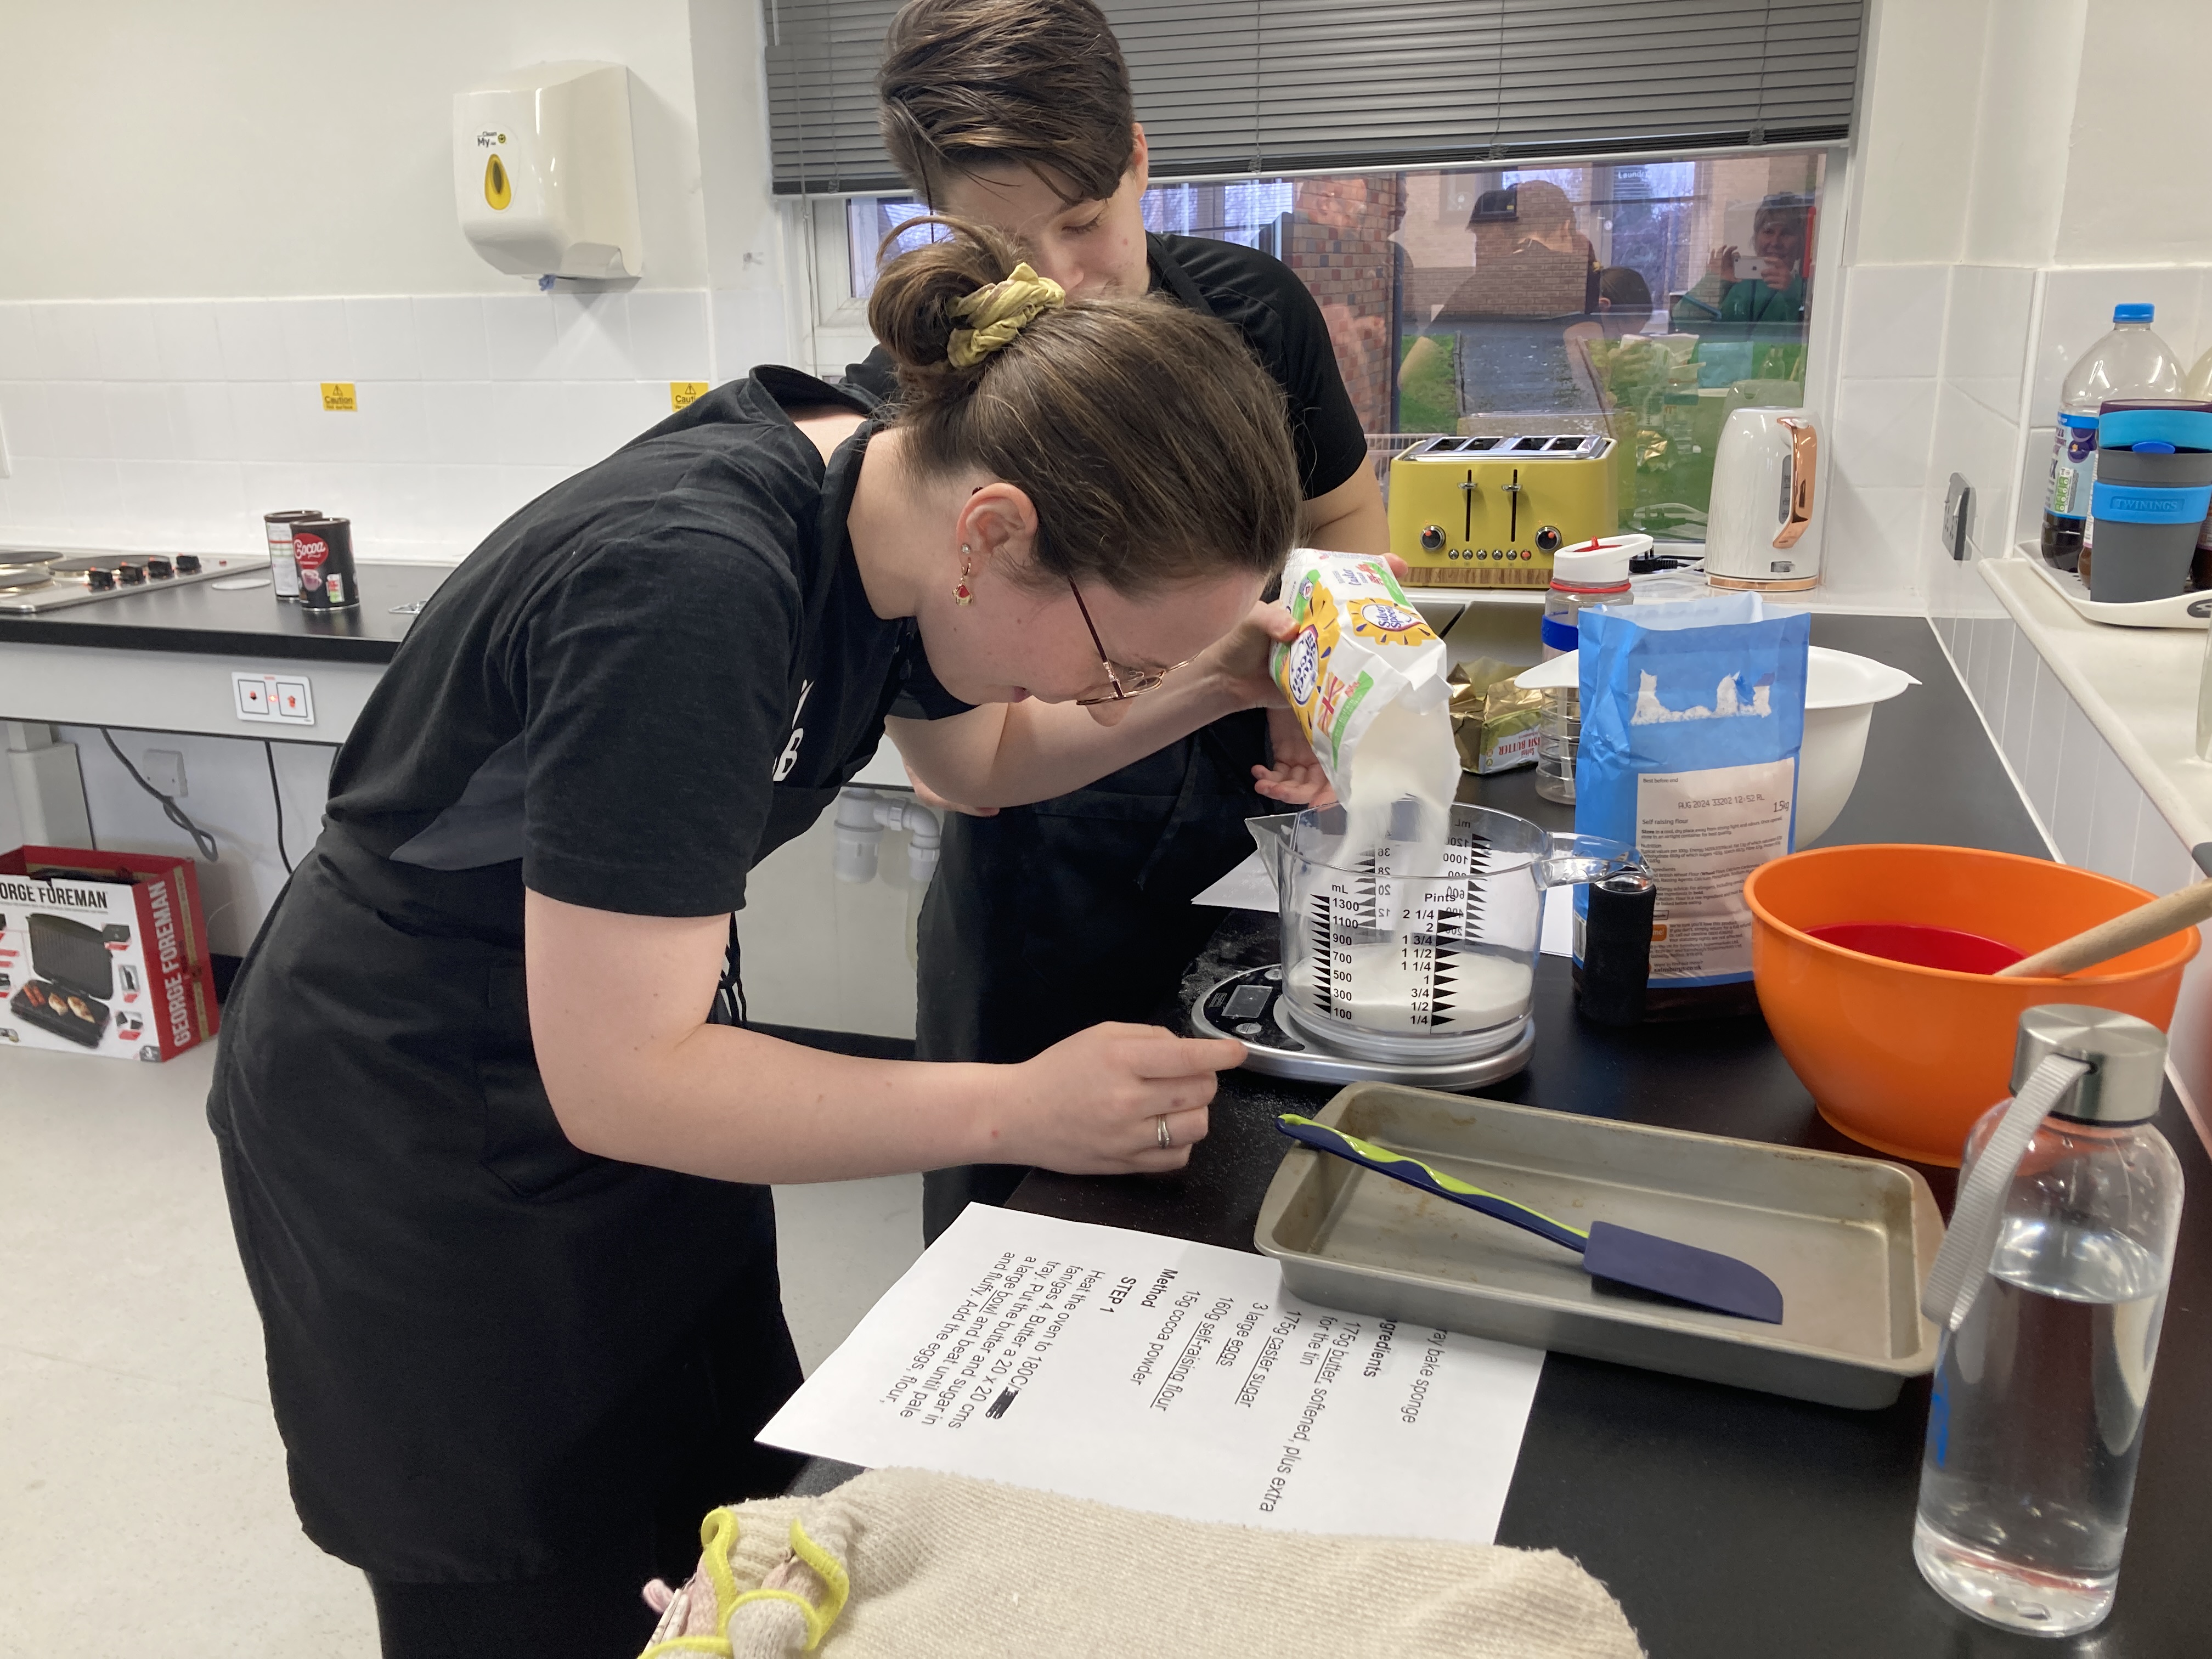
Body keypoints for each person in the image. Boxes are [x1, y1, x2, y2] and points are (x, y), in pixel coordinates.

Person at [207, 218, 1319, 1658]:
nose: (1122, 688)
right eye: (1123, 653)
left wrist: (1209, 684)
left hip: (635, 1067)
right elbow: (624, 1077)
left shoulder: (890, 492)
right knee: (539, 1574)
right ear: (997, 536)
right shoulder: (692, 584)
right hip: (426, 1122)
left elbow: (971, 763)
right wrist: (1023, 1102)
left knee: (719, 1536)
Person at [854, 0, 1389, 1243]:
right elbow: (963, 756)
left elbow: (1348, 524)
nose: (1055, 279)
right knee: (1021, 1228)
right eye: (999, 241)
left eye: (1085, 221)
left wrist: (1323, 687)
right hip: (1045, 862)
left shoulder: (1256, 315)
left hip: (1251, 828)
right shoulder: (935, 397)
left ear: (1141, 159)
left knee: (1255, 1198)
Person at [1673, 192, 1811, 326]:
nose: (1775, 242)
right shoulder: (1734, 279)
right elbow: (1682, 320)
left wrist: (1791, 293)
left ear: (1801, 243)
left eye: (1786, 234)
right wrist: (1716, 281)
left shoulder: (1805, 291)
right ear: (1756, 238)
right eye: (1768, 232)